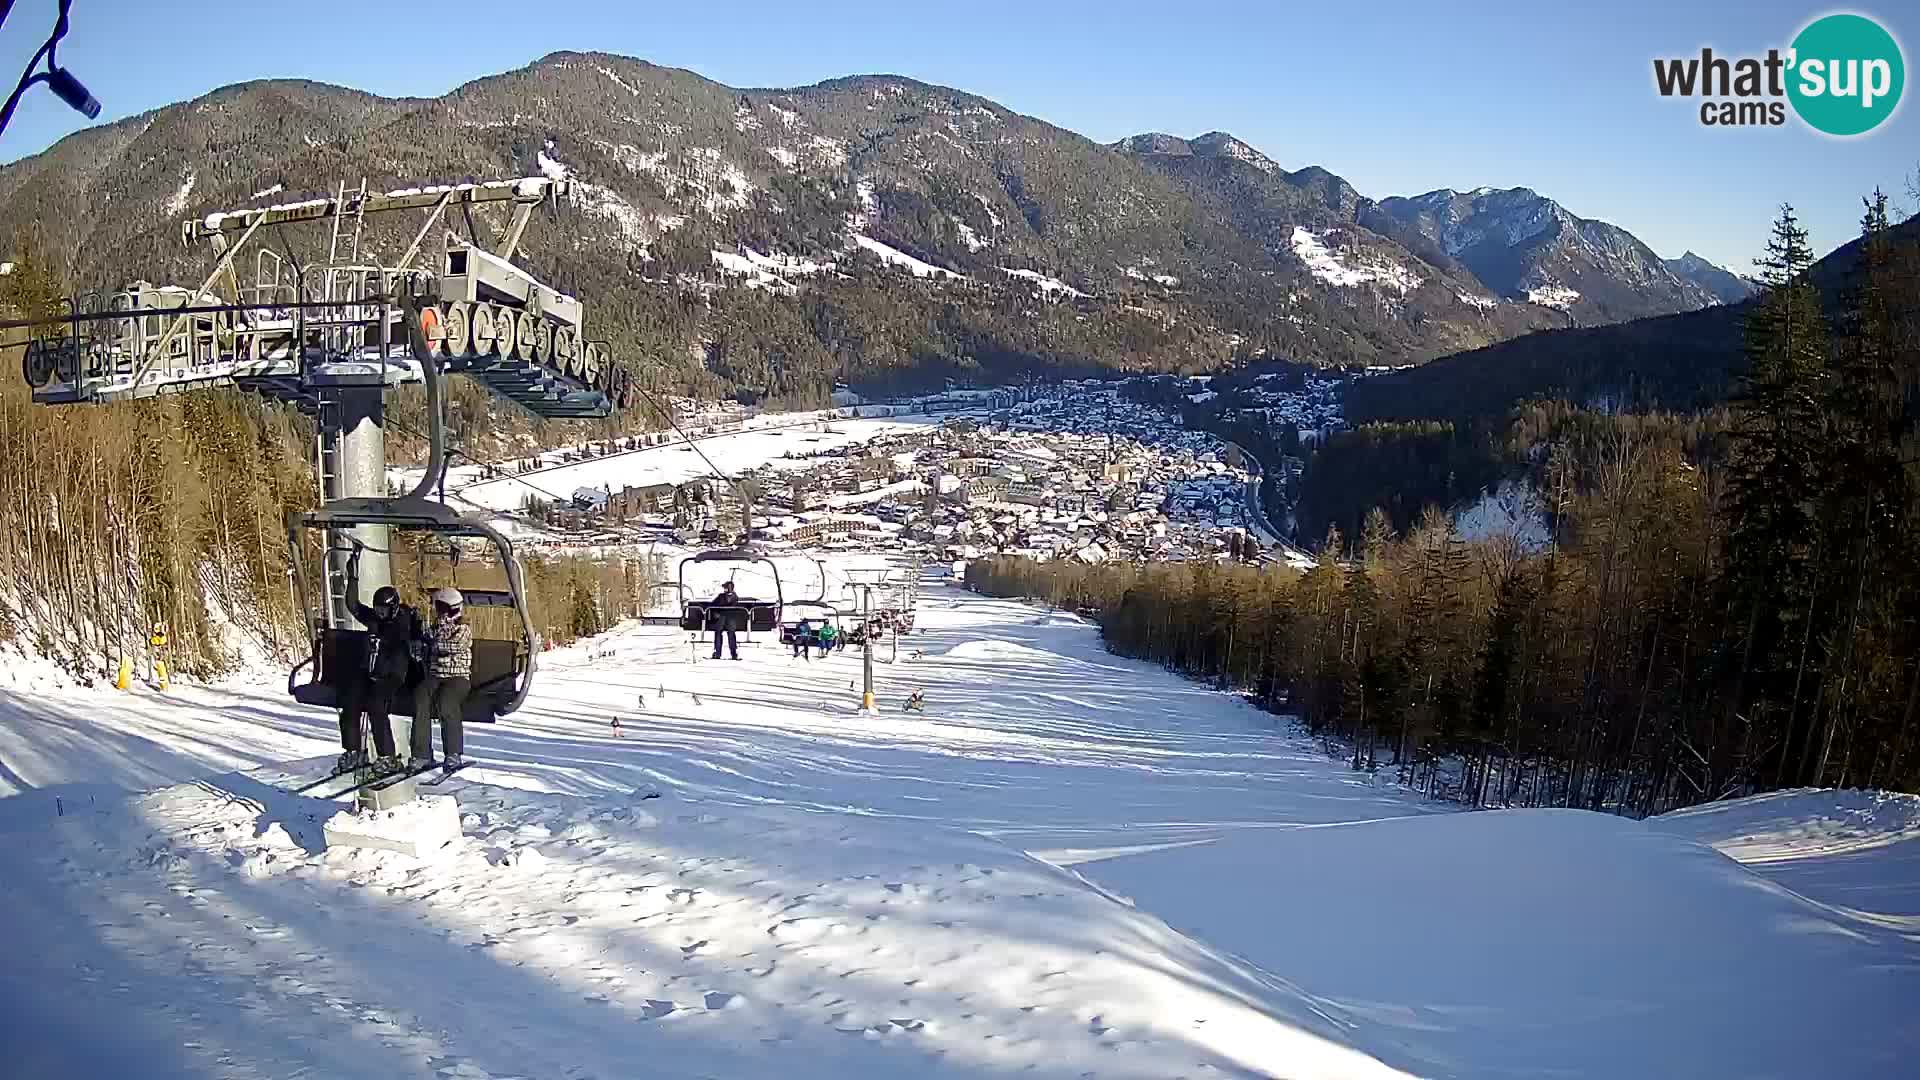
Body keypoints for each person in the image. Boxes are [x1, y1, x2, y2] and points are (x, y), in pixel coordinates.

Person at [337, 581, 421, 774]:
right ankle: (353, 751)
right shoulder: (375, 619)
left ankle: (387, 755)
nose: (380, 614)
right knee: (350, 701)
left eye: (384, 610)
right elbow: (353, 605)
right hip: (371, 673)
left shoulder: (403, 623)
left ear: (393, 608)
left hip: (393, 676)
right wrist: (353, 577)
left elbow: (412, 634)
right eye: (377, 610)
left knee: (376, 704)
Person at [413, 586, 473, 771]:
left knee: (446, 702)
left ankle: (453, 754)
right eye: (439, 609)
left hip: (457, 678)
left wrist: (431, 644)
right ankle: (421, 754)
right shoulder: (433, 630)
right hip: (435, 676)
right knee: (420, 697)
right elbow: (425, 647)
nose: (441, 615)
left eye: (444, 610)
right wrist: (417, 646)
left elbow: (452, 646)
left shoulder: (463, 630)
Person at [711, 582, 741, 660]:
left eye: (726, 588)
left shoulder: (731, 597)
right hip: (725, 618)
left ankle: (729, 653)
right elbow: (713, 605)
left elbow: (713, 604)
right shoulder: (728, 597)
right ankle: (722, 653)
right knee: (723, 633)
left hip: (727, 617)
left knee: (725, 633)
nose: (724, 589)